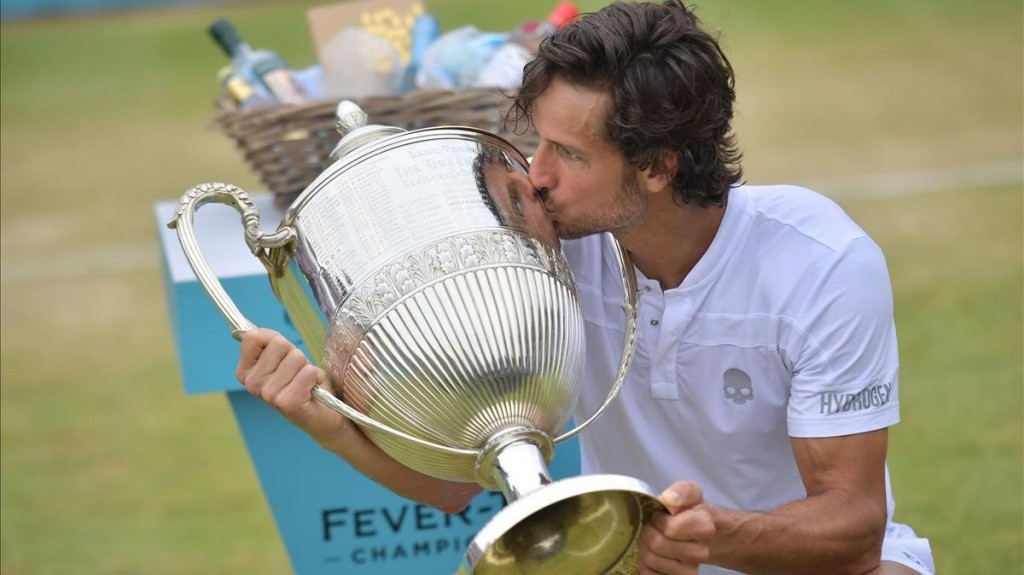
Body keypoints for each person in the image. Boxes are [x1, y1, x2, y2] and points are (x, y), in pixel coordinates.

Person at [236, 1, 935, 573]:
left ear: (657, 167)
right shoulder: (541, 245)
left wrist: (708, 534)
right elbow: (457, 484)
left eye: (568, 153)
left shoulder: (822, 260)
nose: (535, 175)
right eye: (537, 142)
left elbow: (854, 527)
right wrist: (328, 424)